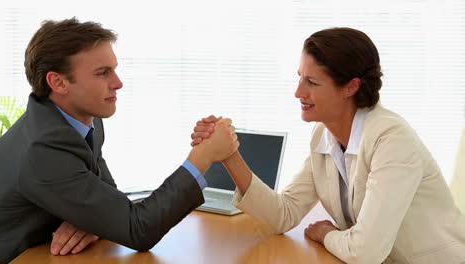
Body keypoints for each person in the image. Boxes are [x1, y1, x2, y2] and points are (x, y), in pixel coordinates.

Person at [192, 27, 465, 263]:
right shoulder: (324, 135)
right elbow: (283, 214)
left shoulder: (392, 139)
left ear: (351, 87)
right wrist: (229, 155)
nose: (298, 92)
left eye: (311, 82)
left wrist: (326, 233)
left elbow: (365, 253)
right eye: (299, 77)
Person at [0, 18, 239, 264]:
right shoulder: (44, 149)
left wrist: (95, 223)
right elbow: (137, 229)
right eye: (103, 73)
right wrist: (203, 156)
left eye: (114, 69)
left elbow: (112, 201)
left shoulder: (82, 119)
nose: (118, 83)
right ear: (58, 82)